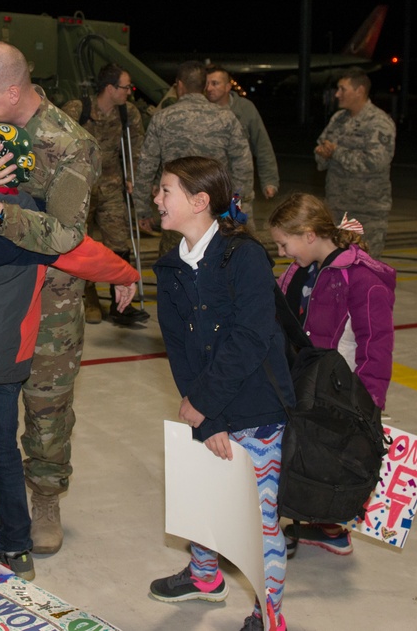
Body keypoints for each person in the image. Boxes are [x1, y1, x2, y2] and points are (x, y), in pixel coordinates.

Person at [0, 125, 139, 585]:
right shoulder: (37, 222)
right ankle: (17, 549)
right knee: (3, 448)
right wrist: (124, 273)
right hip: (10, 359)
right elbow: (83, 253)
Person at [0, 41, 98, 554]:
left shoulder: (72, 144)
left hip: (51, 293)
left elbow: (68, 233)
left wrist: (0, 213)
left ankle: (45, 496)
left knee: (47, 398)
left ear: (12, 91)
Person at [149, 156, 292, 631]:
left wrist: (207, 405)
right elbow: (179, 351)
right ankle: (206, 576)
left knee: (259, 521)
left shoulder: (244, 256)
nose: (156, 199)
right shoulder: (169, 268)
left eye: (165, 190)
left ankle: (268, 614)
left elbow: (252, 337)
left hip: (257, 406)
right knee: (204, 498)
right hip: (207, 407)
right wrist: (205, 418)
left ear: (199, 201)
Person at [268, 192, 396, 556]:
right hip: (302, 381)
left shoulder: (362, 278)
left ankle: (329, 525)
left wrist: (368, 407)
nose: (282, 253)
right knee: (298, 454)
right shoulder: (299, 269)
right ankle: (303, 520)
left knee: (327, 459)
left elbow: (377, 346)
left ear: (309, 234)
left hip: (339, 394)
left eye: (284, 243)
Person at [133, 60, 254, 256]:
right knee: (216, 264)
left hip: (176, 209)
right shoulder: (226, 118)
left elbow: (146, 166)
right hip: (214, 210)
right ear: (205, 86)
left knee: (175, 266)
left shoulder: (162, 118)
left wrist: (142, 211)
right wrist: (237, 205)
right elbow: (243, 165)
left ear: (179, 85)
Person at [62, 64, 149, 326]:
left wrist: (134, 178)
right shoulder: (78, 110)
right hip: (80, 184)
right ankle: (89, 299)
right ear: (110, 88)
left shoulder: (127, 112)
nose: (128, 92)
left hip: (111, 182)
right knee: (80, 240)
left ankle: (120, 303)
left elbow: (137, 146)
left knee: (119, 240)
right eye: (125, 87)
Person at [314, 67, 395, 259]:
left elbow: (376, 162)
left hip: (366, 213)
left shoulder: (379, 123)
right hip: (337, 210)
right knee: (335, 269)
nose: (337, 94)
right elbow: (321, 150)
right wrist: (323, 153)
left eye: (342, 89)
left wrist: (336, 152)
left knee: (364, 270)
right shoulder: (338, 119)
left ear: (359, 91)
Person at [204, 65, 280, 229]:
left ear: (228, 87)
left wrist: (269, 181)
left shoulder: (245, 109)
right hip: (209, 189)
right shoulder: (200, 112)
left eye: (215, 83)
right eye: (207, 84)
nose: (209, 88)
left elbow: (262, 145)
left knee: (242, 236)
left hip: (238, 189)